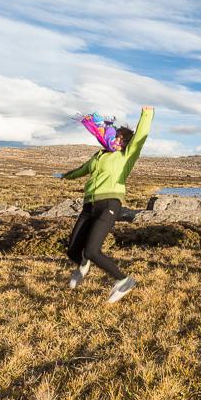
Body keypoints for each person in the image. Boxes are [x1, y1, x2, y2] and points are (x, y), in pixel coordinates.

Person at [62, 106, 154, 303]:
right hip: (89, 206)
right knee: (72, 250)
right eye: (117, 137)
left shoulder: (126, 156)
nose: (119, 141)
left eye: (124, 139)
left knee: (93, 250)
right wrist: (66, 176)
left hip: (110, 203)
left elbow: (140, 137)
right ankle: (82, 264)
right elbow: (83, 169)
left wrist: (146, 115)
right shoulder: (99, 155)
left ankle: (124, 281)